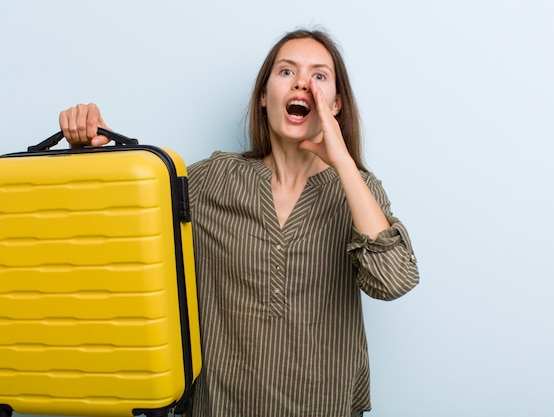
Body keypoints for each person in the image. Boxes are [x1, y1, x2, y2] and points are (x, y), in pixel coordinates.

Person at [59, 28, 419, 417]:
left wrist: (343, 162)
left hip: (326, 405)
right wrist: (88, 149)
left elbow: (392, 280)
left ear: (336, 106)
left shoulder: (358, 191)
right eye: (286, 72)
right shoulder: (213, 179)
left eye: (319, 76)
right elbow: (116, 226)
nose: (302, 82)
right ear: (264, 97)